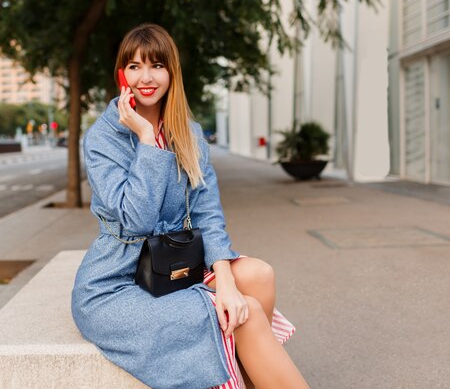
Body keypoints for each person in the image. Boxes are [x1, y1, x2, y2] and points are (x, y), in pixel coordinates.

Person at [71, 23, 310, 389]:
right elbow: (135, 221)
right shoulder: (103, 139)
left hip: (175, 262)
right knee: (242, 316)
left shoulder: (188, 131)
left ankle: (248, 377)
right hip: (116, 281)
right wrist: (147, 141)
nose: (145, 77)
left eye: (157, 65)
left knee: (257, 276)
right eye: (134, 66)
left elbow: (207, 212)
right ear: (121, 73)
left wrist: (226, 281)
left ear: (172, 72)